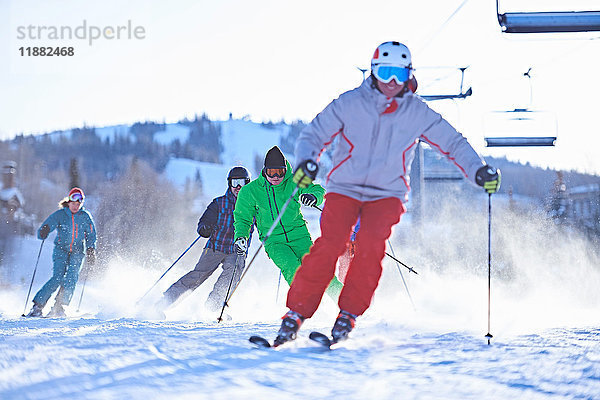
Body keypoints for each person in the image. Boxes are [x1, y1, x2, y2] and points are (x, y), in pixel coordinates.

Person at [275, 41, 501, 345]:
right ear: (373, 71)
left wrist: (478, 169)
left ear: (408, 74)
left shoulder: (417, 112)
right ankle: (296, 313)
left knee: (370, 249)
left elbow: (453, 142)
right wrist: (307, 162)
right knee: (330, 246)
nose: (391, 82)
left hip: (386, 195)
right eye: (385, 72)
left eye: (398, 73)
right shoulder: (350, 103)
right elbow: (314, 134)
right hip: (345, 189)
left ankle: (348, 314)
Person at [233, 146, 343, 299]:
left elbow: (318, 189)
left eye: (280, 172)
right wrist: (241, 237)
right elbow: (242, 218)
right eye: (272, 172)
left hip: (299, 236)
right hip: (273, 241)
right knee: (292, 268)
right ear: (264, 171)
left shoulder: (294, 181)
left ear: (286, 170)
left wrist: (312, 196)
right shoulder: (250, 191)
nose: (276, 176)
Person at [157, 166, 253, 313]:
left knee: (234, 271)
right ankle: (164, 302)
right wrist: (205, 227)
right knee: (198, 275)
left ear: (248, 184)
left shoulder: (253, 207)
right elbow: (205, 220)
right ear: (229, 184)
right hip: (215, 247)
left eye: (242, 183)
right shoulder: (219, 203)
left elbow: (264, 225)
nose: (238, 187)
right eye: (235, 183)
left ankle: (213, 308)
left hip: (236, 250)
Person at [26, 187, 97, 318]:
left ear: (81, 204)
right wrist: (44, 230)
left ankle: (59, 306)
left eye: (78, 204)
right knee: (57, 277)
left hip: (77, 251)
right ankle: (37, 306)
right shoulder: (60, 214)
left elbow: (91, 235)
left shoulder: (85, 217)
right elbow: (47, 225)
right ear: (68, 202)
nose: (75, 206)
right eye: (73, 203)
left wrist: (91, 249)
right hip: (61, 250)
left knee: (71, 278)